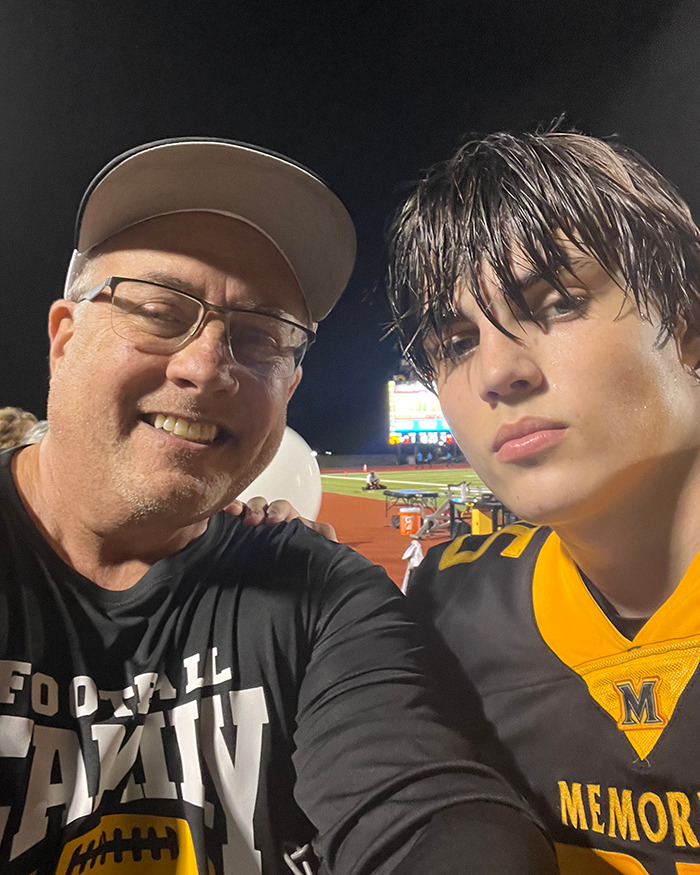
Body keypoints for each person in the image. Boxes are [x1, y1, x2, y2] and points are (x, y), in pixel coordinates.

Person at [0, 138, 556, 875]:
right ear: (64, 339)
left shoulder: (322, 597)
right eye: (162, 310)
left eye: (258, 335)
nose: (205, 367)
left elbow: (427, 812)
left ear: (289, 388)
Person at [386, 129, 700, 874]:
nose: (498, 370)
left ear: (688, 327)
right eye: (458, 340)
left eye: (557, 303)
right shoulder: (448, 605)